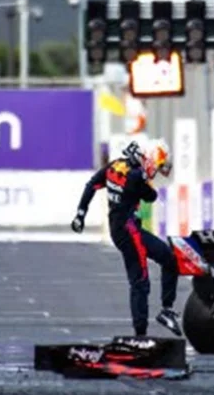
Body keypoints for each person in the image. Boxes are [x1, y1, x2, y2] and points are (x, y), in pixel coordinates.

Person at [71, 140, 182, 338]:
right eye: (157, 167)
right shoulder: (135, 177)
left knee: (169, 258)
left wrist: (80, 214)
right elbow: (151, 196)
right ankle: (140, 335)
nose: (156, 172)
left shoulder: (115, 166)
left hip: (124, 229)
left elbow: (92, 185)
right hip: (128, 232)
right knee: (140, 281)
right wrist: (145, 177)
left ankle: (167, 309)